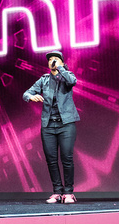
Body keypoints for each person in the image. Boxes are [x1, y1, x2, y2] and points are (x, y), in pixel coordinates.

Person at [23, 50, 80, 204]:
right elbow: (26, 93)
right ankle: (57, 192)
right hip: (48, 125)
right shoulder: (44, 80)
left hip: (66, 124)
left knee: (67, 158)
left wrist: (61, 68)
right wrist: (30, 96)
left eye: (56, 59)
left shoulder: (67, 76)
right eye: (50, 60)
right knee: (51, 159)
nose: (52, 61)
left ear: (61, 62)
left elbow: (73, 82)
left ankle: (68, 192)